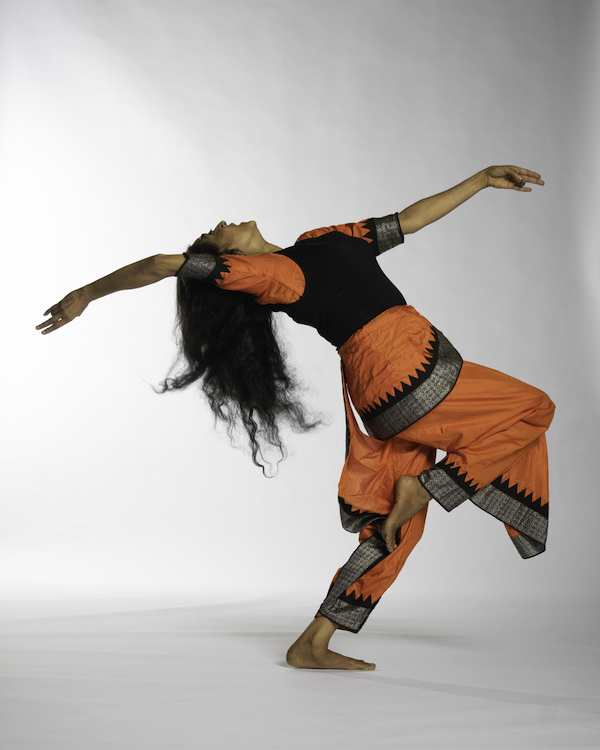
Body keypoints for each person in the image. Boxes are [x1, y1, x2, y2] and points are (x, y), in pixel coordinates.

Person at [37, 165, 554, 671]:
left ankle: (312, 643)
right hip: (405, 366)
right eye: (213, 233)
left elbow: (409, 220)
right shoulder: (266, 275)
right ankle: (429, 486)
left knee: (396, 530)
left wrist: (481, 180)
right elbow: (158, 264)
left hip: (384, 384)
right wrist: (84, 295)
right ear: (228, 255)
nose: (221, 221)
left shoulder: (321, 238)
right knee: (532, 408)